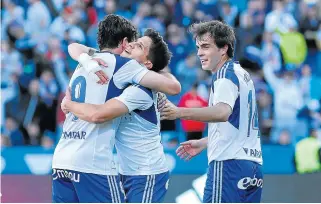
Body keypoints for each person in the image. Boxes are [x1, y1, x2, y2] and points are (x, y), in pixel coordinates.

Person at [51, 14, 180, 203]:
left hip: (142, 172)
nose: (132, 46)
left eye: (139, 46)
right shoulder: (121, 67)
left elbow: (73, 47)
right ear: (124, 41)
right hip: (104, 166)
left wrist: (69, 103)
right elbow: (173, 85)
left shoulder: (95, 62)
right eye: (133, 42)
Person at [160, 20, 263, 203]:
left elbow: (222, 112)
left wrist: (178, 112)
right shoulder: (242, 74)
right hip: (252, 167)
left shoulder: (224, 74)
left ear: (224, 48)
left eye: (206, 47)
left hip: (228, 166)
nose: (199, 52)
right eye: (199, 47)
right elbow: (238, 123)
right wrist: (206, 141)